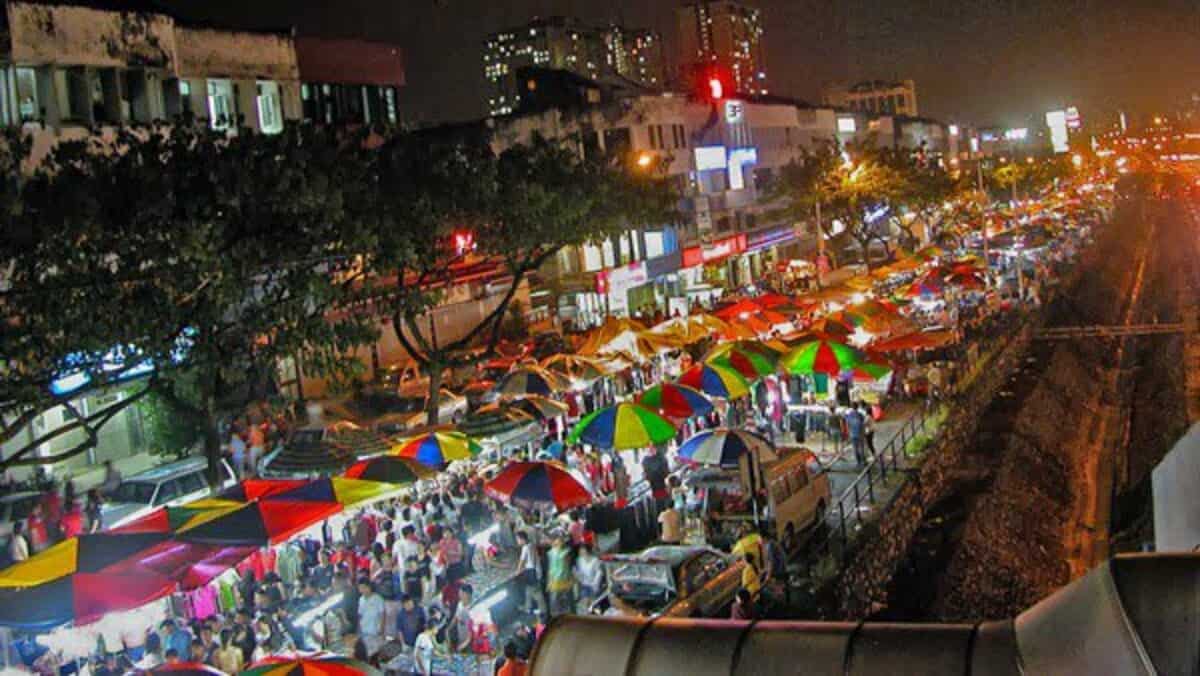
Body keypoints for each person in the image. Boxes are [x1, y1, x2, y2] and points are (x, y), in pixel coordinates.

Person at [515, 531, 544, 616]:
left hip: (533, 573)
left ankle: (542, 611)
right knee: (528, 590)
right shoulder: (531, 544)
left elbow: (522, 561)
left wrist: (518, 571)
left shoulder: (525, 548)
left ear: (522, 539)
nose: (517, 541)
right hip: (537, 570)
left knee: (536, 593)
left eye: (518, 539)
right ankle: (527, 607)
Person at [545, 535, 573, 618]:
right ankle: (556, 616)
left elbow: (567, 566)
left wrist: (570, 578)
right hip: (555, 579)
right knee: (555, 600)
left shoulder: (566, 552)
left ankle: (566, 616)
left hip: (564, 579)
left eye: (561, 541)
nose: (559, 542)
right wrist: (549, 580)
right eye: (557, 541)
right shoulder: (550, 553)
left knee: (564, 599)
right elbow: (550, 567)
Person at [356, 578, 386, 657]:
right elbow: (360, 615)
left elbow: (383, 614)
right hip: (364, 631)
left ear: (369, 587)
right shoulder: (361, 599)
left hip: (375, 632)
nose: (361, 590)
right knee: (367, 653)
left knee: (377, 654)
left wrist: (381, 630)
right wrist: (359, 629)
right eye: (360, 588)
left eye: (363, 588)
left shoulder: (378, 599)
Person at [573, 543, 604, 613]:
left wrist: (595, 584)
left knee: (594, 604)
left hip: (594, 585)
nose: (581, 552)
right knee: (585, 602)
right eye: (580, 550)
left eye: (583, 550)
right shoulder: (579, 560)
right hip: (584, 585)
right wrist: (578, 577)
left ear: (588, 550)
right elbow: (577, 572)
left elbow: (599, 572)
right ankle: (586, 616)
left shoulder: (595, 560)